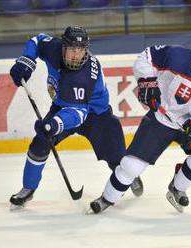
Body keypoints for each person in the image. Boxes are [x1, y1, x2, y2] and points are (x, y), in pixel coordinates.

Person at [88, 30, 191, 214]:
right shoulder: (175, 56)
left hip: (190, 120)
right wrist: (147, 82)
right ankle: (106, 199)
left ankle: (177, 187)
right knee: (131, 166)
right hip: (160, 118)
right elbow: (145, 57)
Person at [9, 26, 143, 209]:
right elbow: (37, 40)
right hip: (63, 105)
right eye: (72, 49)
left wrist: (53, 125)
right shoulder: (53, 48)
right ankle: (28, 188)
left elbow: (78, 114)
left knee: (116, 157)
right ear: (63, 47)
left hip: (96, 115)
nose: (76, 55)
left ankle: (129, 175)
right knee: (40, 143)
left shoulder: (82, 76)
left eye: (80, 50)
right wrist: (26, 61)